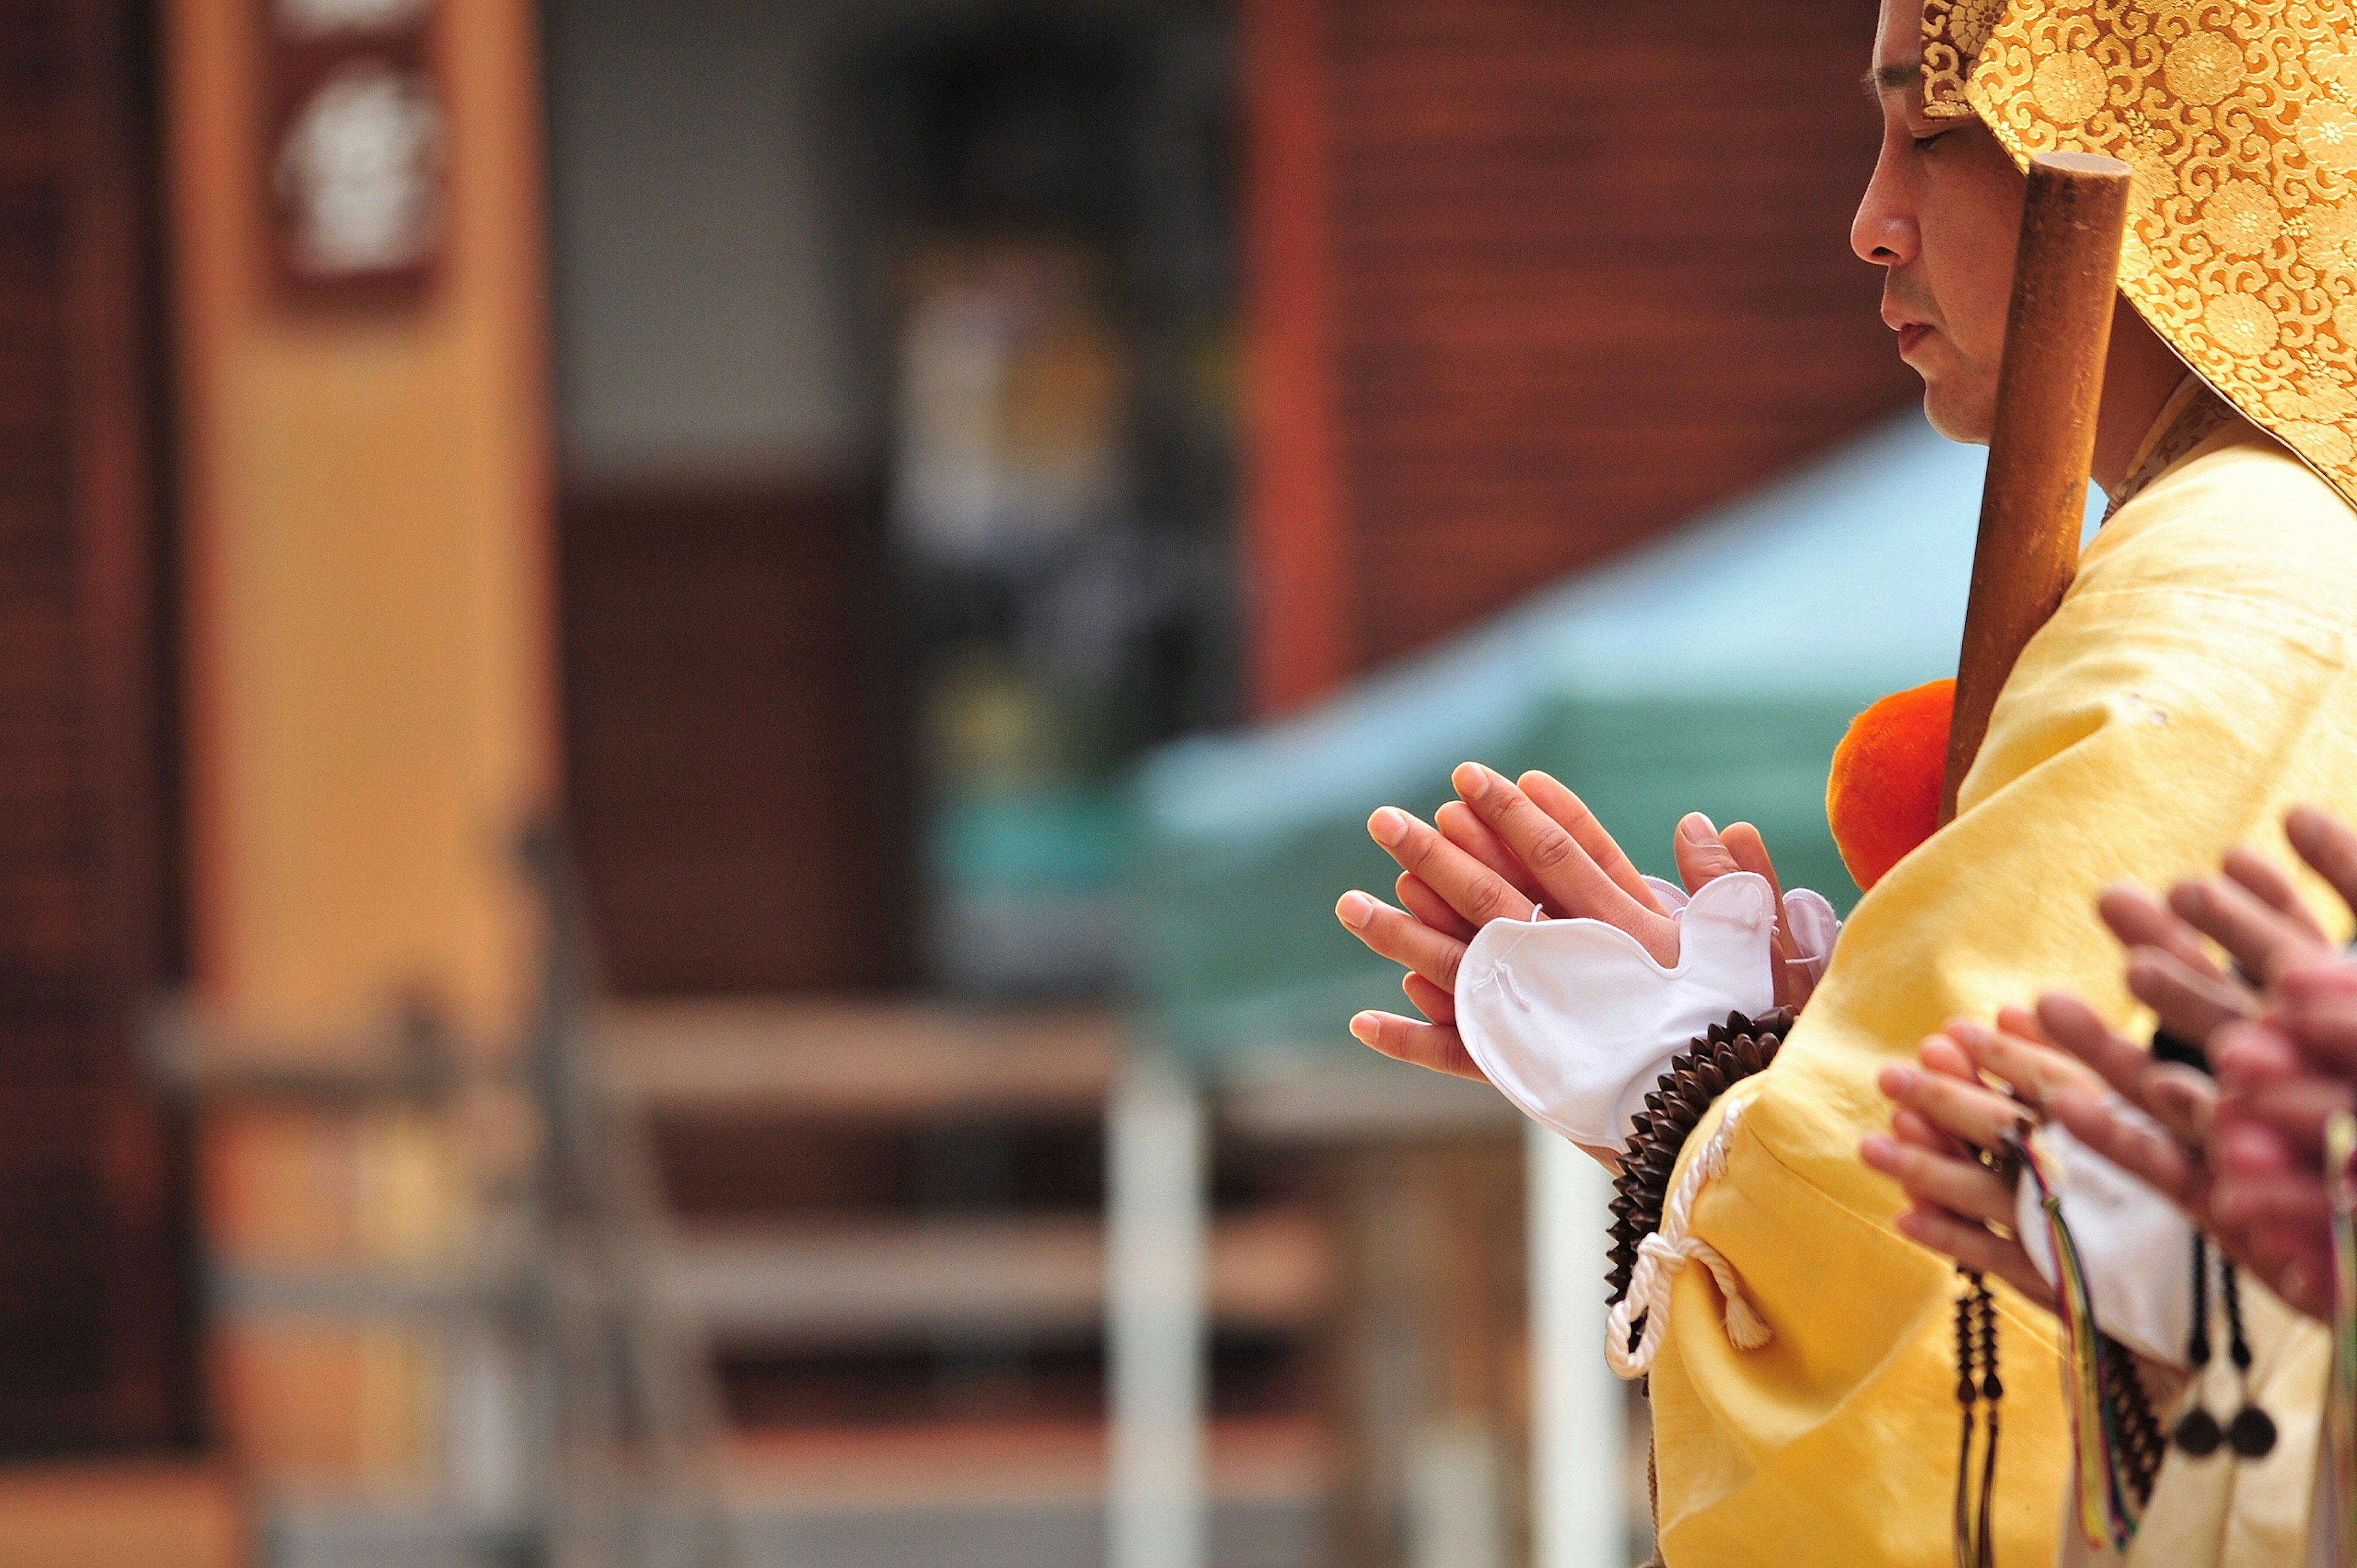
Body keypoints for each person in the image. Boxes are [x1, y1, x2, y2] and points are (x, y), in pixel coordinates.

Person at [1333, 0, 2357, 1561]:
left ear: (2128, 136)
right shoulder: (2245, 559)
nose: (1871, 224)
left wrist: (1692, 1094)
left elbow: (1940, 1246)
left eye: (1933, 134)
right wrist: (1806, 1051)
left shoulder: (2217, 597)